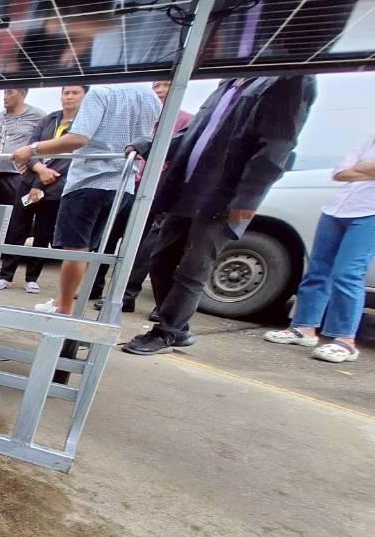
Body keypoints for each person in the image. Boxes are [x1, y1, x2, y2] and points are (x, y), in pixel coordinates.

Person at [122, 75, 315, 355]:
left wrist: (248, 196)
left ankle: (167, 332)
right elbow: (194, 135)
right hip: (188, 189)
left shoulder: (287, 80)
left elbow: (278, 143)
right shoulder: (229, 83)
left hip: (224, 195)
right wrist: (152, 144)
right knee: (160, 259)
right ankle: (179, 327)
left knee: (193, 267)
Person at [10, 84, 161, 316]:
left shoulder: (101, 93)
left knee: (75, 249)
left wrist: (32, 149)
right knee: (89, 248)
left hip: (89, 181)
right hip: (122, 185)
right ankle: (64, 301)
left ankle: (65, 310)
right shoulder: (150, 97)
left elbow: (78, 139)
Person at [263, 132, 375, 363]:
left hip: (369, 214)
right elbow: (340, 172)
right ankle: (304, 327)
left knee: (348, 273)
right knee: (318, 270)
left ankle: (345, 340)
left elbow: (352, 170)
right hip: (337, 209)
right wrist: (365, 169)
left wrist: (359, 169)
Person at [89, 79, 195, 308]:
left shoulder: (186, 121)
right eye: (156, 85)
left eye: (165, 85)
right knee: (108, 236)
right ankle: (93, 286)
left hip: (157, 189)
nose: (159, 90)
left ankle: (125, 296)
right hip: (127, 183)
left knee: (141, 244)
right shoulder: (139, 116)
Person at [0, 84, 87, 293]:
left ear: (84, 96)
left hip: (55, 187)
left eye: (75, 93)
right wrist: (39, 170)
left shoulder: (83, 125)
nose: (69, 97)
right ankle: (6, 275)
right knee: (17, 228)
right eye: (66, 92)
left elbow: (71, 156)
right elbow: (28, 149)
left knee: (43, 233)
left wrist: (47, 176)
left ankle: (32, 278)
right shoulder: (48, 120)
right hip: (29, 181)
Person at [0, 88, 48, 209]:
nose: (5, 96)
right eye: (4, 92)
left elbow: (45, 145)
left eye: (9, 92)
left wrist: (35, 169)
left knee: (16, 216)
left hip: (19, 176)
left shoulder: (38, 116)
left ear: (23, 93)